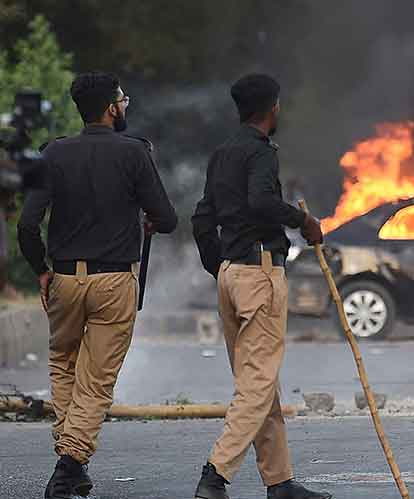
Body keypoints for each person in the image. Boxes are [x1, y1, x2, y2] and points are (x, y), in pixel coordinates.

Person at [17, 71, 177, 498]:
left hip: (64, 279)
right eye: (123, 100)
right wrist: (145, 218)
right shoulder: (135, 153)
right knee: (97, 380)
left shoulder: (51, 154)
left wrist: (41, 269)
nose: (126, 106)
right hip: (113, 282)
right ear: (111, 107)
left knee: (64, 365)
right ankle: (68, 467)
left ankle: (72, 460)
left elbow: (27, 225)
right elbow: (168, 218)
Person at [191, 73, 331, 499]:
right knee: (256, 384)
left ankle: (280, 481)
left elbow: (201, 218)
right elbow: (262, 203)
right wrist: (304, 221)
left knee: (260, 381)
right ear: (272, 109)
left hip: (233, 276)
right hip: (259, 275)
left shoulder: (221, 154)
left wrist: (221, 267)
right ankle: (215, 475)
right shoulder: (261, 153)